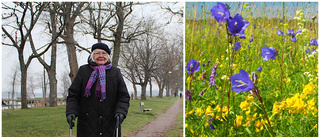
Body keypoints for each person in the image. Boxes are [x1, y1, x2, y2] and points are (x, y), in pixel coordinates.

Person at [66, 42, 130, 137]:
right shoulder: (83, 71)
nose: (101, 56)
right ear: (92, 56)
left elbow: (123, 96)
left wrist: (121, 112)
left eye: (104, 53)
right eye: (97, 53)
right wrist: (71, 111)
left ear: (108, 56)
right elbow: (73, 95)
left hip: (110, 123)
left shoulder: (115, 72)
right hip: (86, 123)